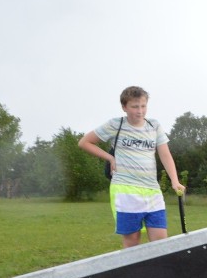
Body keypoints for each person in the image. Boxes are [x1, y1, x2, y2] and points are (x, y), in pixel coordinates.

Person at [79, 86, 185, 248]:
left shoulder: (154, 126)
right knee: (132, 242)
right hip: (125, 190)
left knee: (161, 243)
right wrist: (109, 157)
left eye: (143, 106)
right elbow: (84, 142)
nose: (140, 111)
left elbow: (165, 155)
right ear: (124, 107)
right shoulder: (116, 124)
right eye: (135, 107)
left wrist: (175, 181)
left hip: (152, 191)